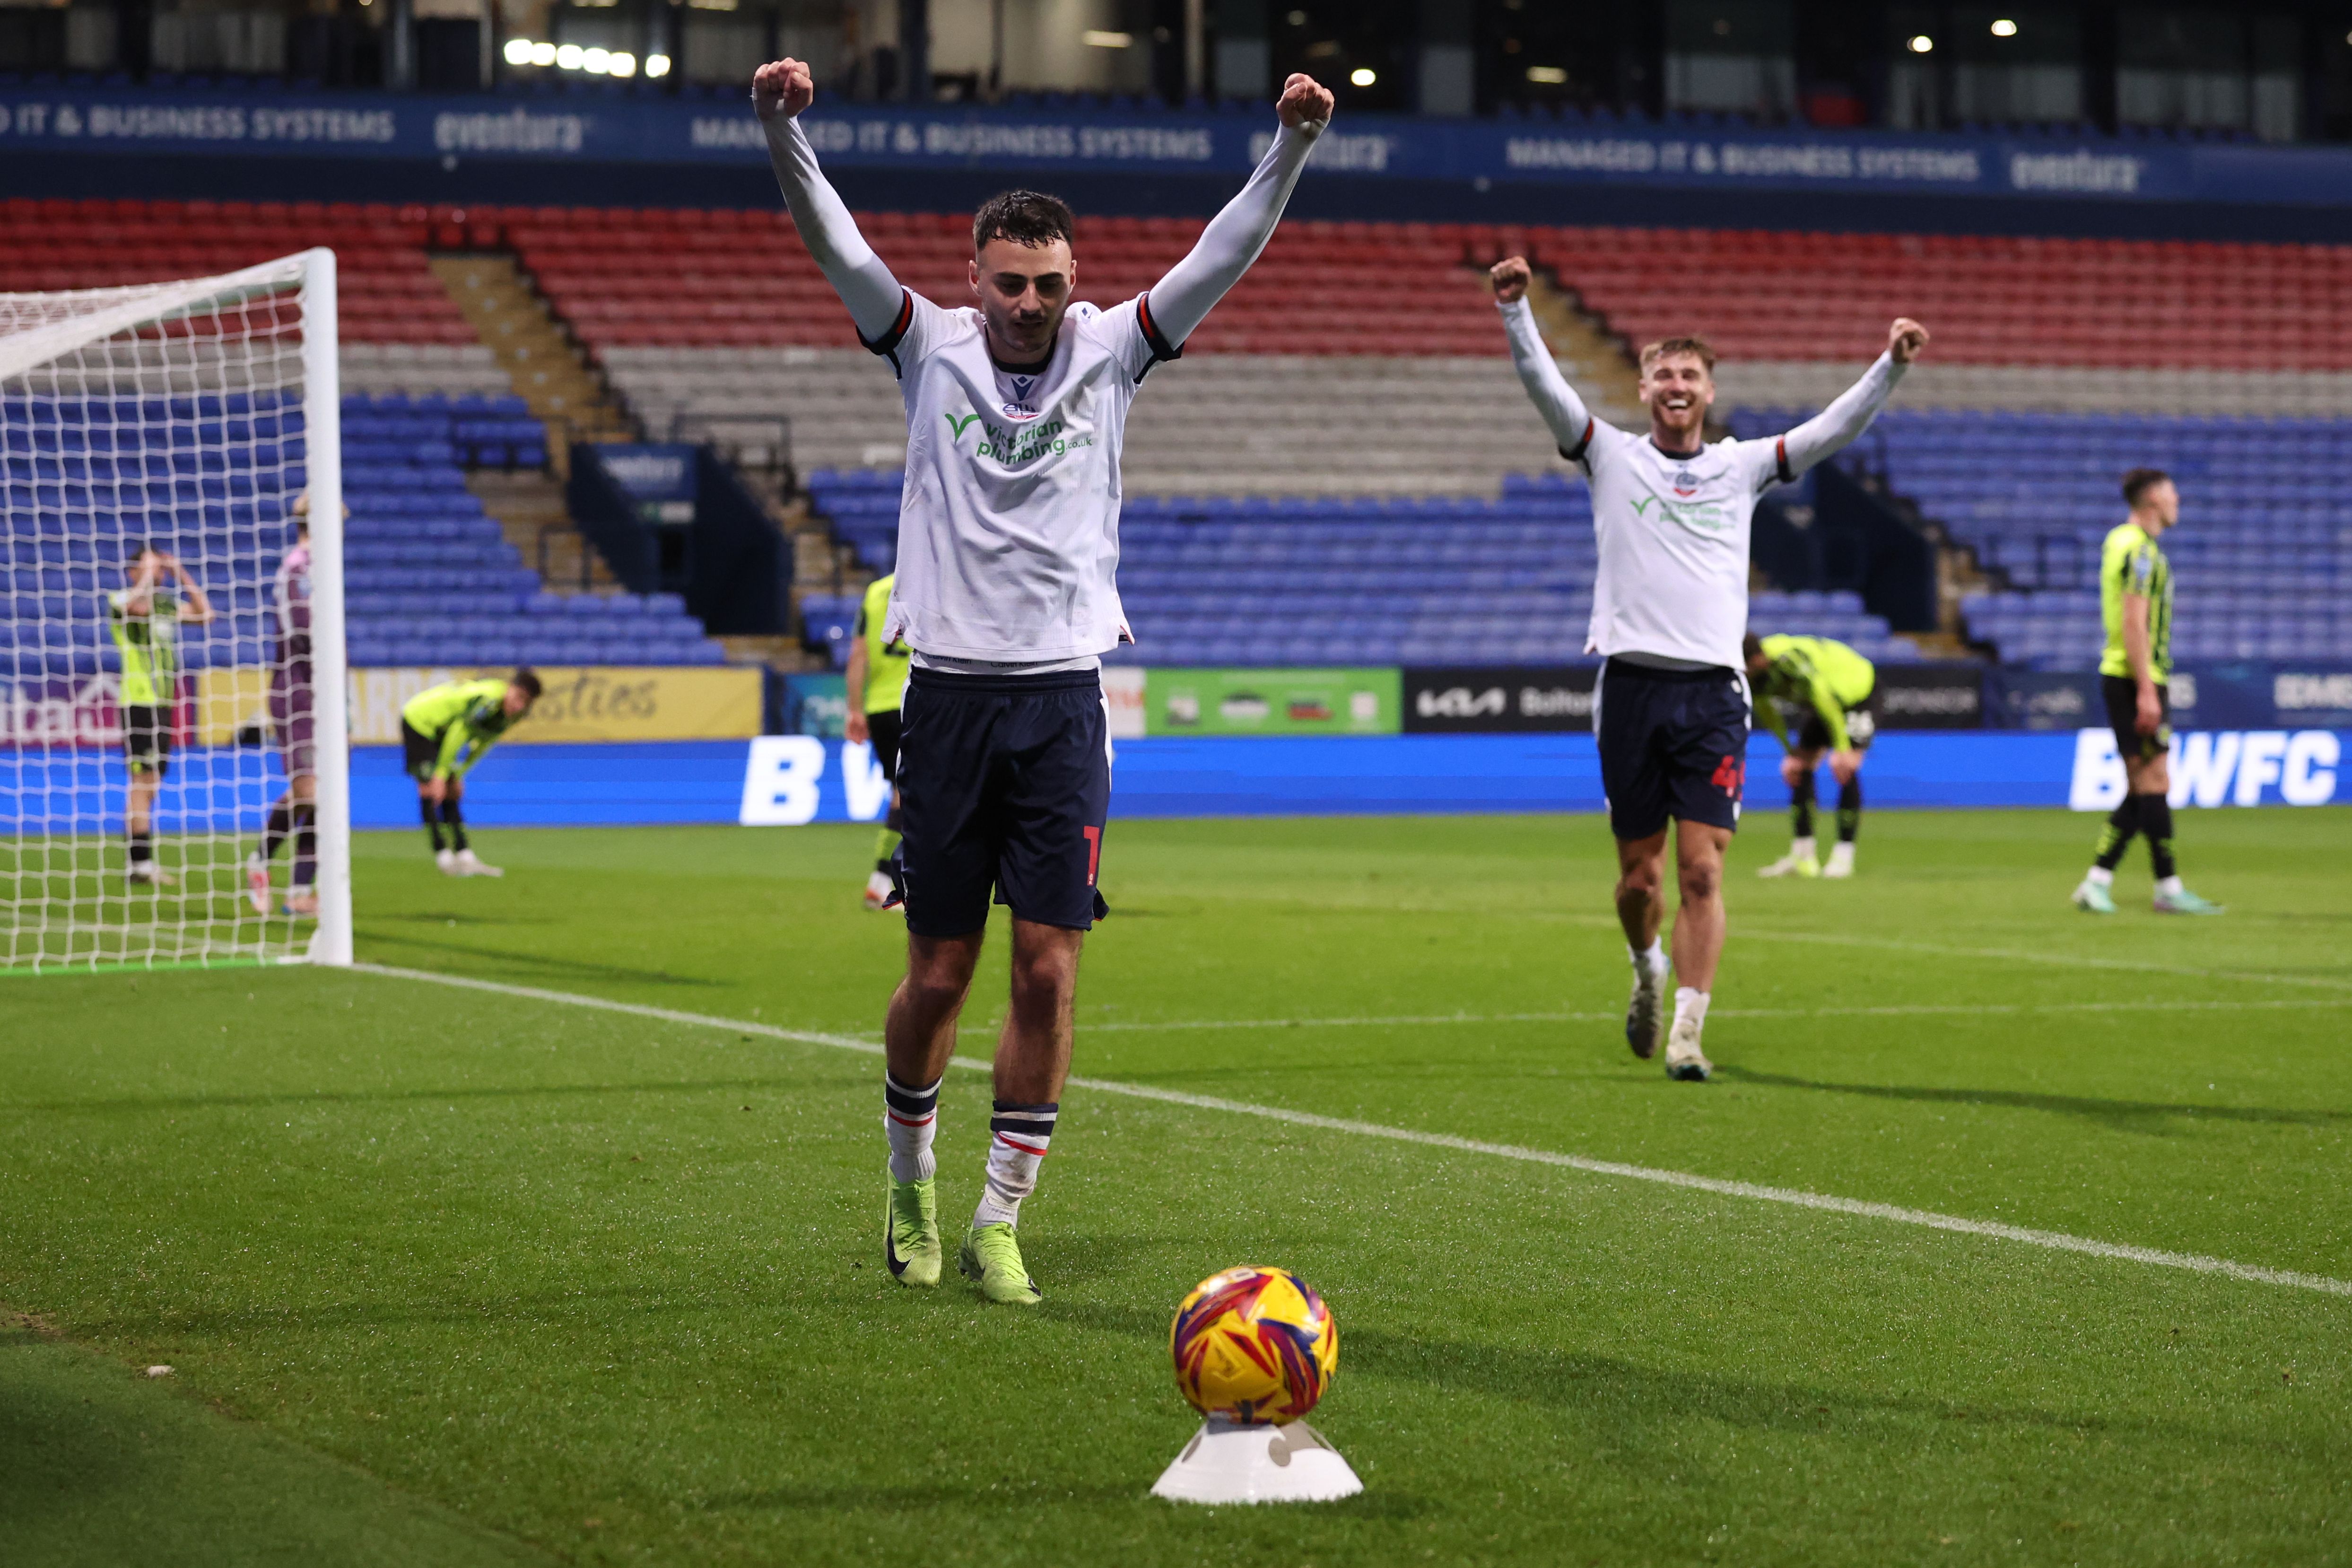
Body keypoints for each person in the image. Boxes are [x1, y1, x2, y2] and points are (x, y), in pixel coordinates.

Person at [755, 54, 1333, 1303]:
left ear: (1077, 282)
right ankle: (908, 1179)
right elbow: (834, 242)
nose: (1030, 303)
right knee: (940, 972)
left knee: (1051, 968)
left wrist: (1285, 147)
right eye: (1011, 282)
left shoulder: (1114, 349)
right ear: (976, 278)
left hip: (1065, 697)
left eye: (1051, 284)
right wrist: (779, 131)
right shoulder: (925, 345)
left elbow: (1219, 257)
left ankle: (997, 1218)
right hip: (949, 700)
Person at [1491, 253, 1925, 1082]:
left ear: (1707, 391)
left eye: (1688, 373)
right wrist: (1516, 313)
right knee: (1635, 880)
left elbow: (1829, 430)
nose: (1675, 384)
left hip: (1713, 694)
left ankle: (1688, 1030)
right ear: (1646, 389)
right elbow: (1547, 391)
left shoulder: (1741, 465)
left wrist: (1888, 368)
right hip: (1628, 687)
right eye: (1662, 373)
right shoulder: (1608, 455)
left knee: (1700, 867)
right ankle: (1644, 965)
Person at [2071, 469, 2222, 916]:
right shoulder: (2139, 550)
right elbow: (2134, 622)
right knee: (2153, 782)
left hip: (2128, 675)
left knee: (2145, 785)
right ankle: (2166, 888)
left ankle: (2100, 881)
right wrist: (2146, 690)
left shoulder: (2123, 542)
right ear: (2154, 500)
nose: (2179, 500)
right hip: (2135, 676)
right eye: (2173, 492)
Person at [109, 540, 215, 885]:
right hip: (138, 702)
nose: (157, 574)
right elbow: (132, 608)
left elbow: (205, 614)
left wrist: (180, 572)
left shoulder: (166, 605)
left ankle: (139, 860)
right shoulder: (120, 600)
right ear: (134, 571)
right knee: (141, 781)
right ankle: (139, 866)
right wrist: (147, 577)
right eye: (150, 567)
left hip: (163, 705)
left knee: (152, 783)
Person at [1745, 631, 1876, 880]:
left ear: (1760, 659)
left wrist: (1841, 748)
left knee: (1845, 766)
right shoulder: (1753, 674)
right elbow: (1767, 711)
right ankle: (1803, 857)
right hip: (1825, 703)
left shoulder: (1788, 661)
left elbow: (1822, 696)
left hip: (1858, 691)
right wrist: (1789, 751)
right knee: (1797, 767)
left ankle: (1843, 857)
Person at [246, 496, 323, 916]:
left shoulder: (324, 568)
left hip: (327, 692)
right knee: (308, 791)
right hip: (298, 691)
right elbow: (301, 630)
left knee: (323, 796)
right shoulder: (299, 567)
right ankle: (261, 862)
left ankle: (299, 891)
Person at [398, 671, 541, 877]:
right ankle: (443, 854)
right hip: (420, 720)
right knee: (430, 787)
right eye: (519, 697)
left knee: (452, 790)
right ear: (510, 687)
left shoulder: (515, 714)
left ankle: (464, 855)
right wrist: (440, 774)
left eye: (526, 703)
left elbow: (484, 743)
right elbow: (459, 732)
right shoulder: (487, 701)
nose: (519, 705)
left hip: (442, 730)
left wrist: (459, 773)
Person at [843, 571, 911, 911]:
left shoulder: (875, 591)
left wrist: (854, 709)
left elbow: (858, 655)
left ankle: (886, 882)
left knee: (902, 792)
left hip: (879, 707)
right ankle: (887, 882)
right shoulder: (933, 581)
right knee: (914, 794)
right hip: (916, 701)